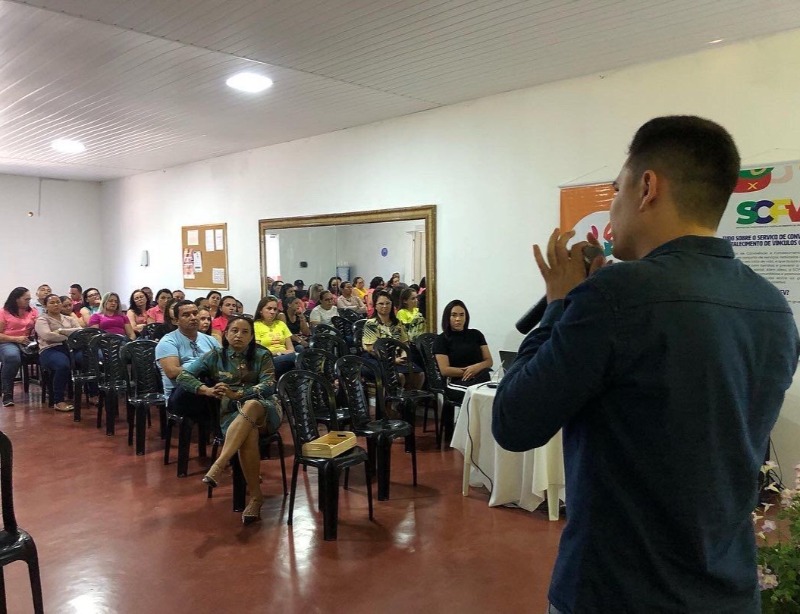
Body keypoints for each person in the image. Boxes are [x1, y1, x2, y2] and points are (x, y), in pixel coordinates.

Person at [492, 116, 800, 613]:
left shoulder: (616, 294)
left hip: (618, 592)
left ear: (648, 187)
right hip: (727, 592)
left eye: (617, 189)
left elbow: (513, 421)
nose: (613, 205)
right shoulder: (773, 306)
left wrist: (558, 304)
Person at [176, 315, 281, 525]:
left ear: (251, 337)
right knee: (248, 432)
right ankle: (256, 498)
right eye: (234, 330)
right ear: (226, 334)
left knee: (251, 406)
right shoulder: (215, 356)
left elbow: (269, 385)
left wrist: (238, 394)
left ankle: (220, 463)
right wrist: (206, 390)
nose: (239, 335)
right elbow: (182, 376)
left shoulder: (262, 355)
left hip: (266, 410)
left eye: (245, 332)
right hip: (232, 415)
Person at [155, 300, 220, 421]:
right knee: (206, 380)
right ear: (175, 321)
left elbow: (224, 365)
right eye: (186, 315)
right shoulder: (168, 341)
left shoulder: (210, 340)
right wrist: (203, 365)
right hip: (179, 394)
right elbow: (172, 372)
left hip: (208, 389)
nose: (193, 318)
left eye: (195, 313)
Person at [433, 300, 492, 403]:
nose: (458, 319)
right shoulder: (441, 339)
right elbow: (445, 370)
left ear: (466, 317)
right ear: (447, 318)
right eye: (454, 315)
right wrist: (470, 372)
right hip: (456, 381)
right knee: (476, 394)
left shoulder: (476, 334)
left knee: (498, 388)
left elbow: (489, 361)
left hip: (480, 377)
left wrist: (476, 368)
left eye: (461, 315)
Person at [35, 294, 83, 411]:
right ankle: (58, 400)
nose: (56, 304)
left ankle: (93, 394)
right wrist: (68, 336)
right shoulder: (42, 320)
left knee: (88, 359)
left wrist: (61, 331)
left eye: (58, 302)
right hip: (50, 349)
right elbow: (47, 336)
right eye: (52, 303)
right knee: (62, 365)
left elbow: (80, 332)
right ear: (45, 306)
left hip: (71, 348)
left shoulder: (69, 318)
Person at [0, 287, 38, 406]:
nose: (29, 301)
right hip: (8, 341)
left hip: (28, 341)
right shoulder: (3, 312)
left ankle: (52, 392)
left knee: (47, 354)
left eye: (29, 299)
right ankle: (7, 393)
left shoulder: (32, 311)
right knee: (12, 357)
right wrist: (16, 339)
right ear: (16, 299)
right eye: (26, 299)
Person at [253, 296, 295, 379]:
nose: (272, 312)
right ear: (261, 310)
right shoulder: (256, 325)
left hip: (285, 356)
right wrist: (280, 352)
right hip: (268, 359)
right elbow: (259, 352)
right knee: (296, 357)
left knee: (300, 354)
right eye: (269, 308)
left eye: (275, 309)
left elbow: (291, 349)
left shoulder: (281, 324)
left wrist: (282, 353)